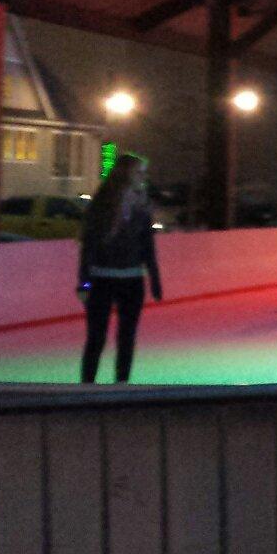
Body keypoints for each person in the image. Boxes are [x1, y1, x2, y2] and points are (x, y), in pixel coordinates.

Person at [76, 154, 163, 384]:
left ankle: (121, 386)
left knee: (127, 338)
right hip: (102, 280)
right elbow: (89, 247)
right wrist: (84, 283)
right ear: (126, 174)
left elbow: (148, 246)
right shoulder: (101, 206)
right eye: (139, 172)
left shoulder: (142, 206)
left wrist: (154, 279)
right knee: (96, 337)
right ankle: (86, 387)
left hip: (132, 281)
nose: (143, 178)